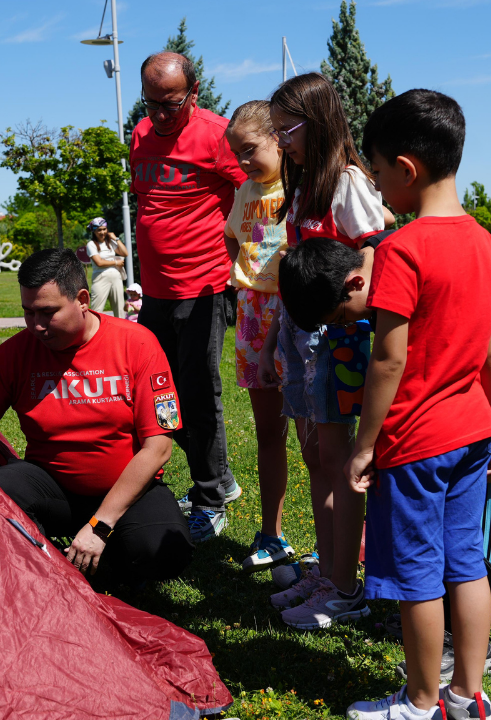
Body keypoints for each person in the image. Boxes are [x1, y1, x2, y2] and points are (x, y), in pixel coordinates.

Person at [281, 235, 491, 685]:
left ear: (352, 284)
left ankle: (466, 641)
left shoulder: (404, 261)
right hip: (456, 382)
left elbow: (479, 348)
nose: (352, 325)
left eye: (342, 317)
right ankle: (442, 621)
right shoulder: (369, 261)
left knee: (483, 496)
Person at [330, 89, 491, 720]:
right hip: (473, 433)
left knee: (417, 576)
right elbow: (490, 354)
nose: (376, 188)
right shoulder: (487, 244)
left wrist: (365, 443)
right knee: (467, 564)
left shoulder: (403, 251)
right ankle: (467, 696)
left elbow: (388, 360)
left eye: (376, 173)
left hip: (417, 442)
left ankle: (422, 701)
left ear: (407, 168)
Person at [0, 249, 193, 587]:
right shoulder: (12, 354)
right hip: (53, 488)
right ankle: (47, 574)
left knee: (165, 551)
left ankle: (85, 569)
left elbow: (158, 448)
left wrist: (100, 525)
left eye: (48, 312)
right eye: (28, 313)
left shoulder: (136, 343)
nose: (37, 326)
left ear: (83, 299)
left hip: (126, 492)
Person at [258, 72, 393, 630]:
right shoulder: (304, 187)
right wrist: (272, 342)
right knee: (319, 461)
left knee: (340, 464)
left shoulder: (346, 184)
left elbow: (380, 246)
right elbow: (296, 273)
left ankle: (343, 585)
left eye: (286, 129)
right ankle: (330, 568)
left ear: (315, 124)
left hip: (344, 342)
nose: (281, 141)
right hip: (305, 339)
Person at [129, 51, 247, 543]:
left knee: (198, 392)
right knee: (158, 393)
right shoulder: (139, 134)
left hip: (205, 284)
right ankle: (217, 478)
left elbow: (262, 194)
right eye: (151, 103)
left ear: (194, 94)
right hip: (156, 289)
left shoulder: (219, 134)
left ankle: (210, 499)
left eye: (171, 105)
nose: (159, 115)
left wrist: (242, 268)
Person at [218, 100, 299, 577]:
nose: (244, 162)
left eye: (250, 150)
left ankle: (342, 542)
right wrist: (244, 271)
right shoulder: (246, 190)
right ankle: (272, 533)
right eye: (237, 154)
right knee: (270, 433)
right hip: (253, 314)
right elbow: (234, 234)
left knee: (318, 437)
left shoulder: (297, 186)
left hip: (293, 311)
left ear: (278, 139)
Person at [85, 217, 129, 318]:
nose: (102, 232)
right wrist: (116, 263)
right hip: (100, 278)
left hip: (116, 277)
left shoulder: (110, 242)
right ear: (94, 231)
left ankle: (120, 332)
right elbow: (99, 262)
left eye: (104, 229)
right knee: (96, 310)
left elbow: (125, 253)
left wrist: (116, 238)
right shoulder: (91, 244)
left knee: (120, 309)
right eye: (99, 230)